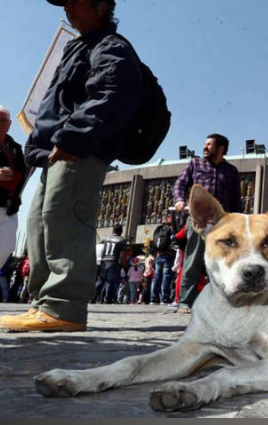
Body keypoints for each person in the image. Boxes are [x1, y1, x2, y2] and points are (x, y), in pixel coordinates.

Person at [0, 0, 143, 332]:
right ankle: (43, 305)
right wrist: (40, 145)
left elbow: (111, 95)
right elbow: (55, 104)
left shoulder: (111, 46)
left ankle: (64, 306)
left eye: (76, 1)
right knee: (40, 225)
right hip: (55, 152)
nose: (68, 8)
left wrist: (72, 139)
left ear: (102, 5)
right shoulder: (78, 48)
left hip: (78, 151)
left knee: (65, 221)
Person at [173, 134, 241, 314]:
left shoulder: (231, 171)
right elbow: (180, 184)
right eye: (205, 144)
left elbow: (235, 200)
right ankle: (185, 302)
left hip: (221, 224)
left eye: (209, 145)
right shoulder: (195, 164)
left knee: (221, 263)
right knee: (193, 260)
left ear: (221, 149)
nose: (205, 147)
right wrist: (180, 200)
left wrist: (237, 222)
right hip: (198, 220)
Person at [0, 105, 27, 271]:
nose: (0, 124)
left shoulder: (16, 148)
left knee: (6, 248)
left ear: (9, 123)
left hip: (9, 207)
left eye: (3, 120)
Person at [93, 224, 127, 304]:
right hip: (114, 261)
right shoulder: (122, 240)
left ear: (113, 230)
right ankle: (107, 299)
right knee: (110, 281)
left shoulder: (105, 238)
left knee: (100, 280)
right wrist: (123, 264)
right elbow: (123, 254)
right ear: (121, 231)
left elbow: (99, 246)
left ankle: (92, 297)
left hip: (104, 260)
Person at [149, 213, 176, 305]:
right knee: (166, 277)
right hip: (168, 255)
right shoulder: (172, 229)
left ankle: (153, 298)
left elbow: (153, 243)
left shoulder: (159, 228)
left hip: (158, 255)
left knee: (156, 277)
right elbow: (174, 243)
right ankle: (164, 298)